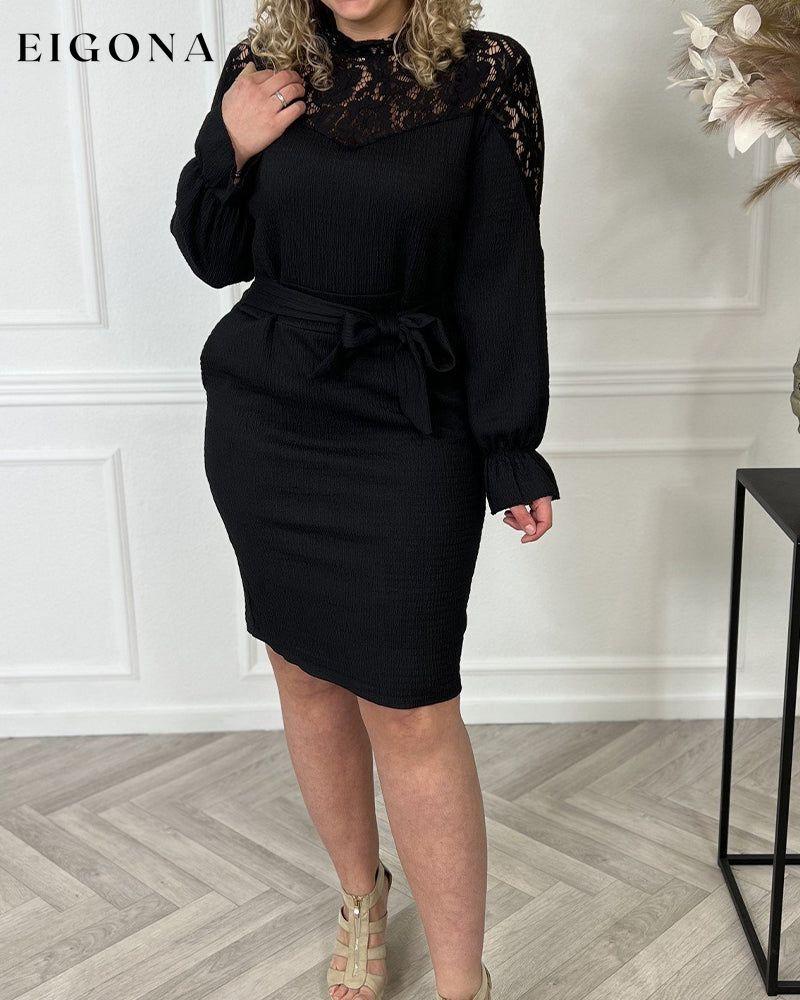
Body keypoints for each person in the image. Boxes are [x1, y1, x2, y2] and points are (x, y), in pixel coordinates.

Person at [171, 1, 559, 998]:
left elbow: (502, 267)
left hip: (408, 411)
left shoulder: (485, 73)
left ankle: (462, 983)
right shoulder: (264, 63)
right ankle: (359, 896)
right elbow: (215, 256)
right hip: (269, 413)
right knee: (303, 673)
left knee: (412, 705)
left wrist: (508, 446)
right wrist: (228, 146)